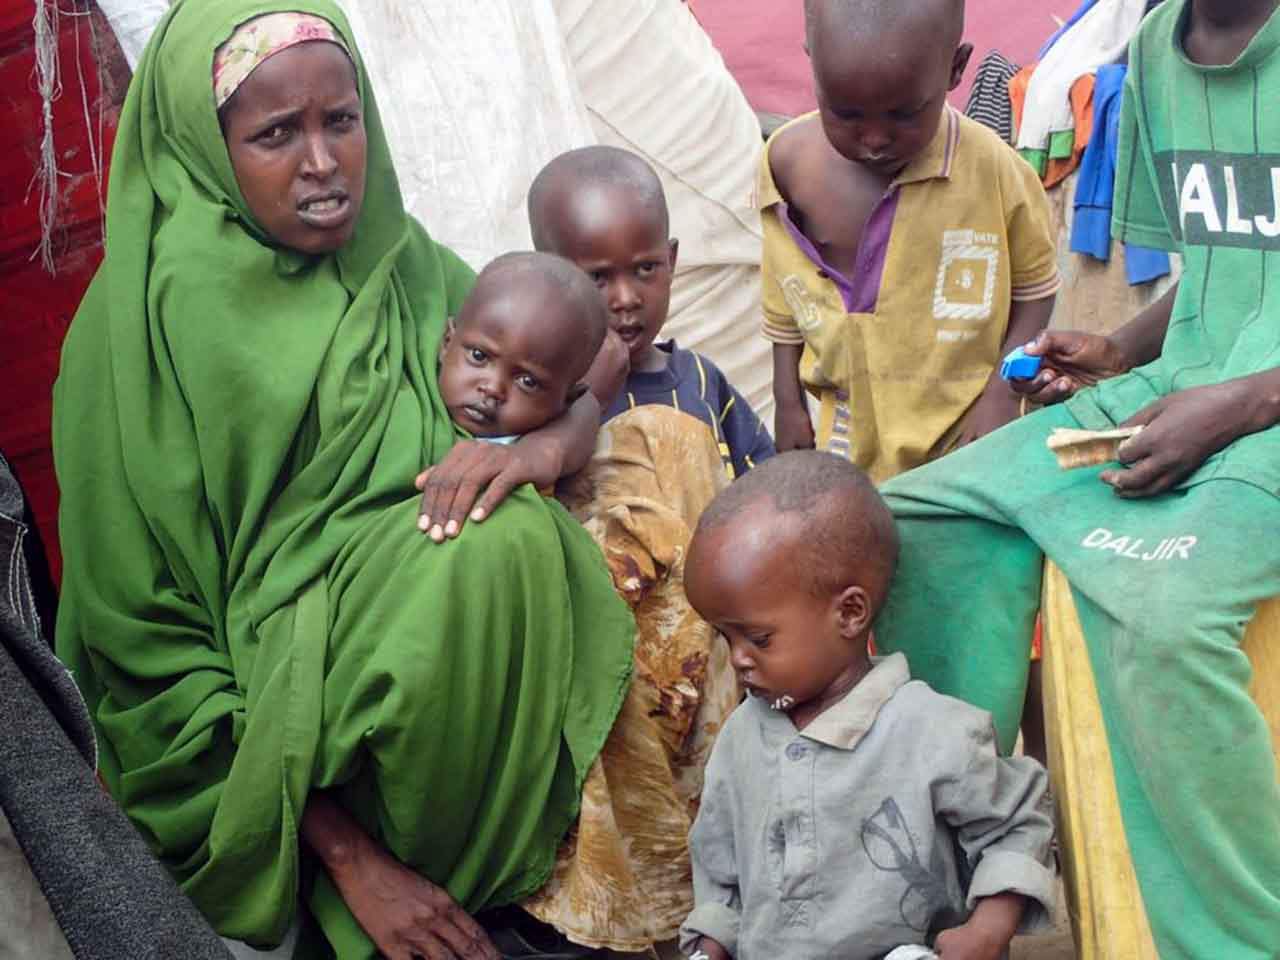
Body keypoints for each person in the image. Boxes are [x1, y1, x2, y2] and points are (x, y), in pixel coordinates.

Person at [50, 3, 694, 958]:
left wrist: (536, 453)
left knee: (647, 466)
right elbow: (143, 641)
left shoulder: (403, 266)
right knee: (475, 560)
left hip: (449, 732)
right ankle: (372, 901)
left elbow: (582, 370)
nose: (321, 163)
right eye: (276, 133)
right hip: (277, 732)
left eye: (339, 121)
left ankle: (495, 890)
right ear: (203, 144)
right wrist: (352, 862)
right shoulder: (141, 338)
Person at [871, 1, 1280, 956]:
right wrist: (1118, 349)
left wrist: (1246, 403)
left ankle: (1236, 937)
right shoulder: (1154, 49)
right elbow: (1232, 262)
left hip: (1265, 411)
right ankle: (955, 895)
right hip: (1186, 386)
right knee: (916, 519)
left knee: (1163, 611)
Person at [676, 452, 1054, 960]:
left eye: (759, 638)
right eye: (724, 637)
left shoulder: (930, 729)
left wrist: (985, 931)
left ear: (850, 613)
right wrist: (712, 943)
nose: (737, 660)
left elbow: (1017, 825)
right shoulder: (741, 737)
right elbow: (721, 869)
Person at [763, 0, 1059, 483]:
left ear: (955, 68)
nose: (875, 139)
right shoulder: (785, 166)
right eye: (847, 113)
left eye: (903, 114)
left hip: (964, 431)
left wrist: (1004, 392)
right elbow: (782, 290)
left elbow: (1035, 290)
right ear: (812, 62)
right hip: (844, 431)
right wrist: (786, 399)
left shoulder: (996, 172)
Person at [528, 146, 775, 479]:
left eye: (646, 268)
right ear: (550, 279)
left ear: (671, 261)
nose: (627, 298)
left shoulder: (701, 381)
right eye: (597, 277)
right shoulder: (535, 394)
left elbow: (765, 486)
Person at [438, 252, 606, 447]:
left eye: (528, 382)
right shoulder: (416, 403)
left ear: (567, 401)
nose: (493, 389)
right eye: (478, 356)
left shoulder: (532, 458)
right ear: (447, 342)